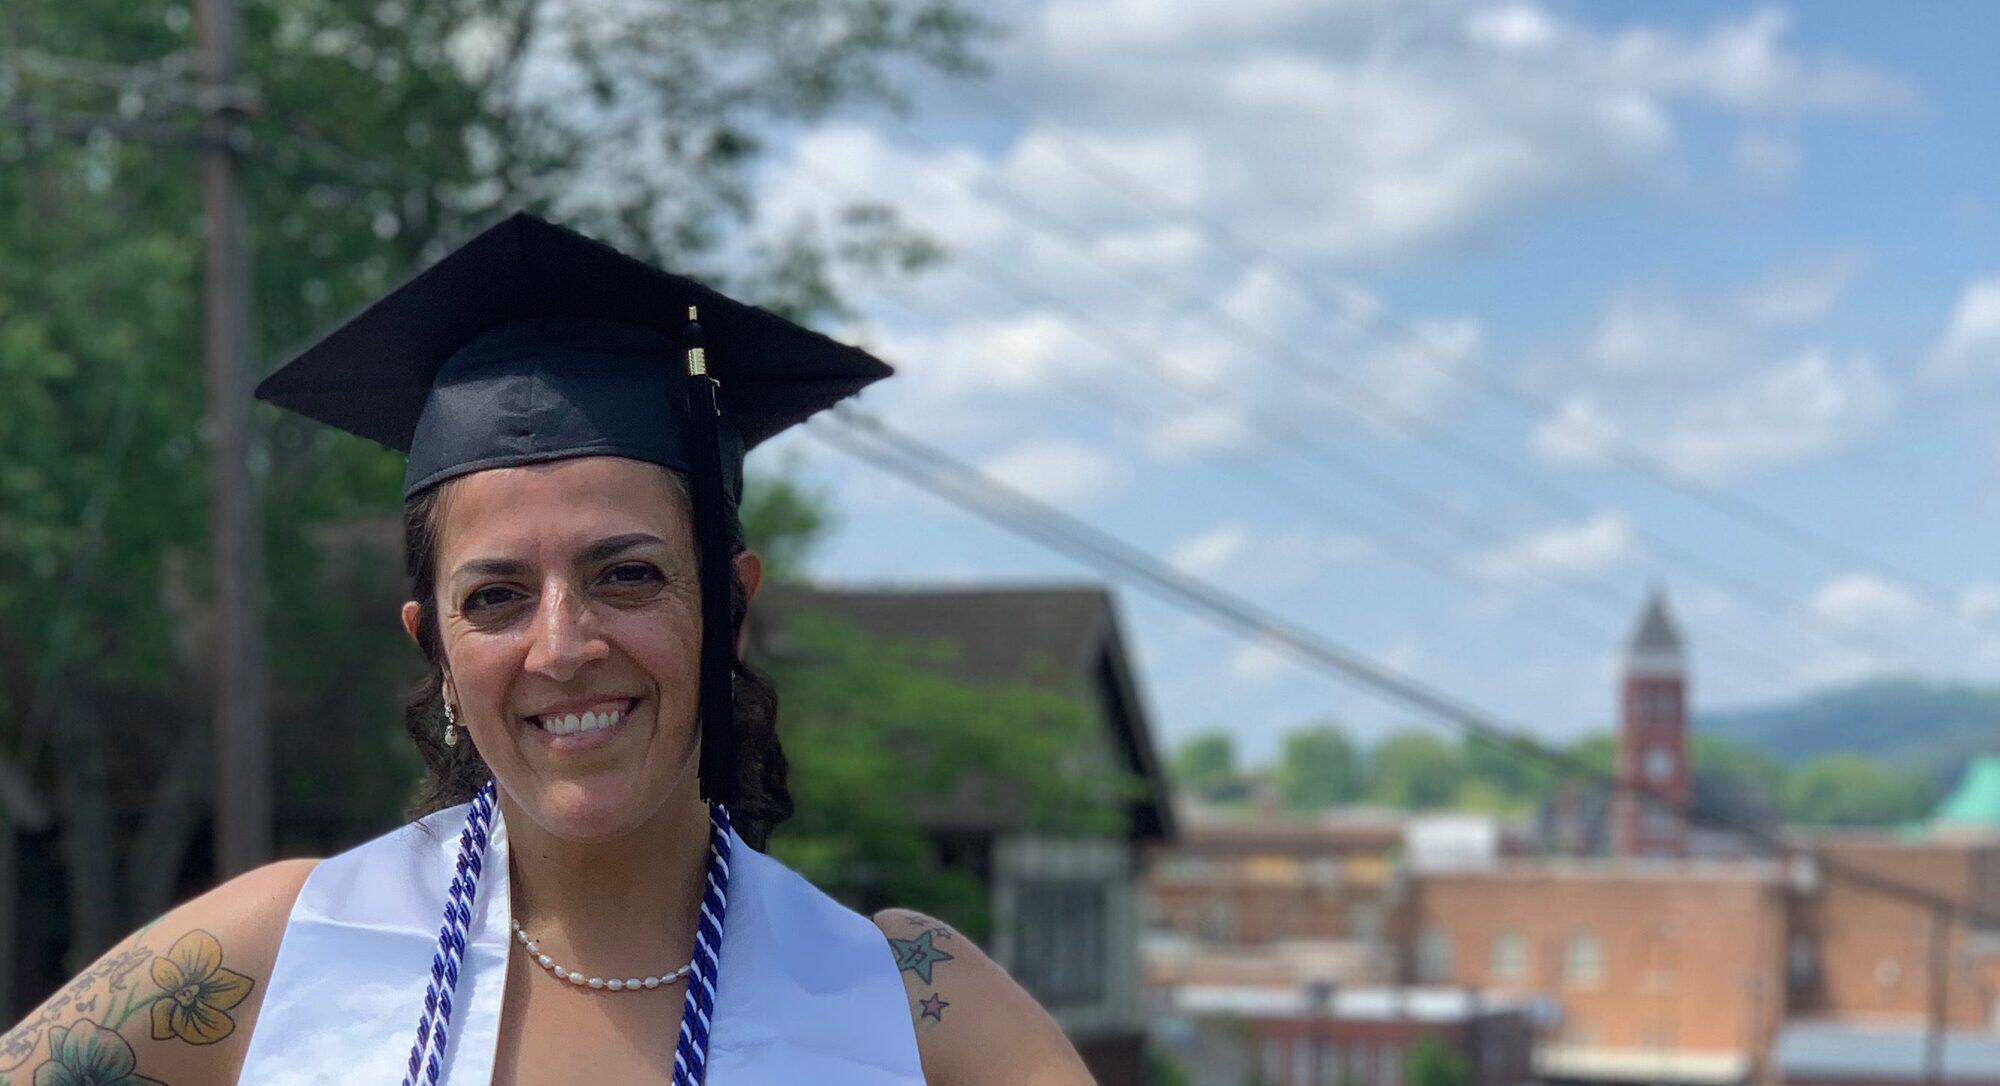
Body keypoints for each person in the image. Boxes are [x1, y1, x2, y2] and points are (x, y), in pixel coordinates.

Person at [1, 212, 1098, 1085]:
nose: (564, 646)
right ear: (433, 647)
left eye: (627, 575)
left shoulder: (910, 1008)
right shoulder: (278, 950)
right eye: (495, 597)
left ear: (729, 604)